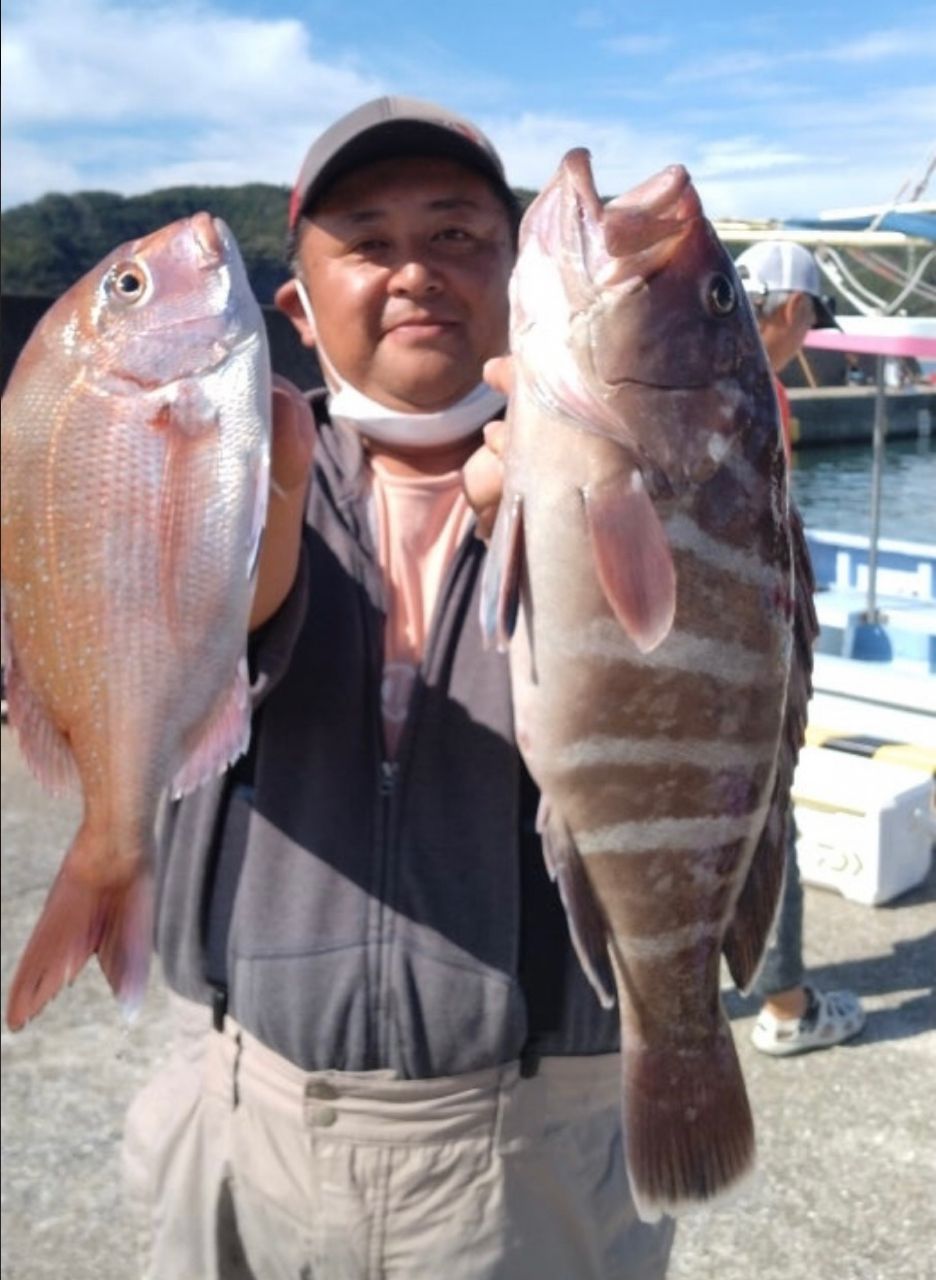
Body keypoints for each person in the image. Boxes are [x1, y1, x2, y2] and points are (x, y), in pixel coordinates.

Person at [123, 96, 676, 1280]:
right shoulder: (203, 474)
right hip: (231, 1108)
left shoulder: (638, 477)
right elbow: (136, 667)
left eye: (459, 235)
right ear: (297, 308)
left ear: (525, 274)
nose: (415, 270)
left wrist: (590, 523)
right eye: (367, 241)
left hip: (533, 1142)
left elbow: (711, 725)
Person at [734, 241, 866, 1057]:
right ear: (793, 309)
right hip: (746, 656)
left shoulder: (698, 375)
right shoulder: (762, 391)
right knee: (762, 815)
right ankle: (785, 1005)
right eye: (815, 315)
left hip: (689, 655)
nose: (813, 332)